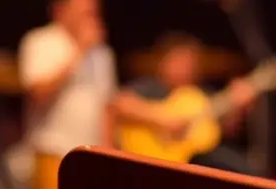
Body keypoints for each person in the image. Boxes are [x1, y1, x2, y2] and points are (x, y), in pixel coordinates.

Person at [19, 0, 117, 189]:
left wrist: (109, 154)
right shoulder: (40, 41)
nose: (91, 13)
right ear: (60, 10)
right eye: (83, 7)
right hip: (53, 151)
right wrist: (80, 50)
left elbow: (106, 105)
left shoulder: (102, 52)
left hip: (92, 155)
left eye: (94, 7)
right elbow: (38, 92)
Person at [109, 32, 258, 174]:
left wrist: (238, 107)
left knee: (239, 167)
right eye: (179, 60)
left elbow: (225, 129)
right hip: (147, 164)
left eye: (190, 62)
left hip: (193, 164)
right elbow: (118, 104)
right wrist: (164, 120)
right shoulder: (151, 87)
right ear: (164, 62)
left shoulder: (201, 96)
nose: (186, 68)